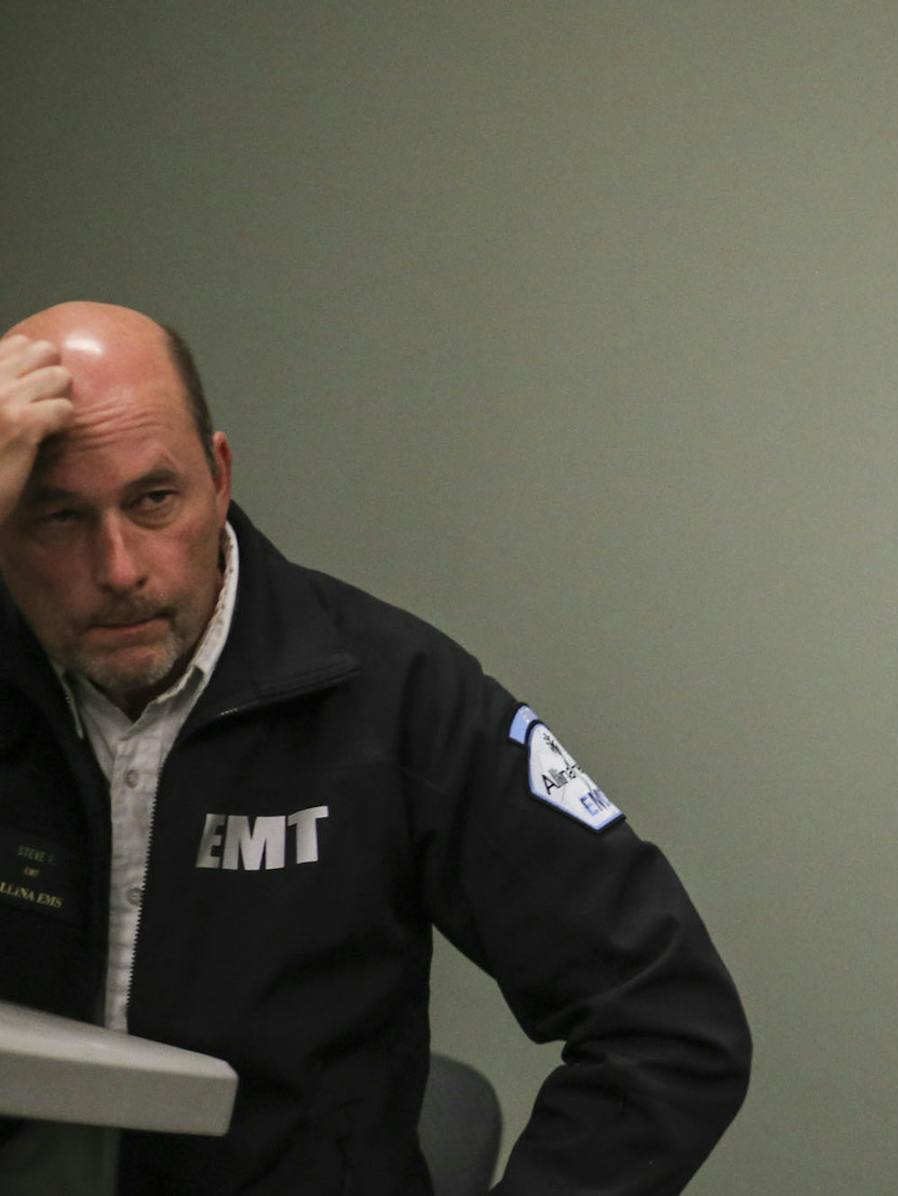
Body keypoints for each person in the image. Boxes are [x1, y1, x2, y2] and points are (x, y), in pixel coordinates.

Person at [0, 301, 751, 1193]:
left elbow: (669, 1018)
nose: (121, 567)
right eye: (58, 518)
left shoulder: (396, 696)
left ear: (221, 475)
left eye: (155, 499)